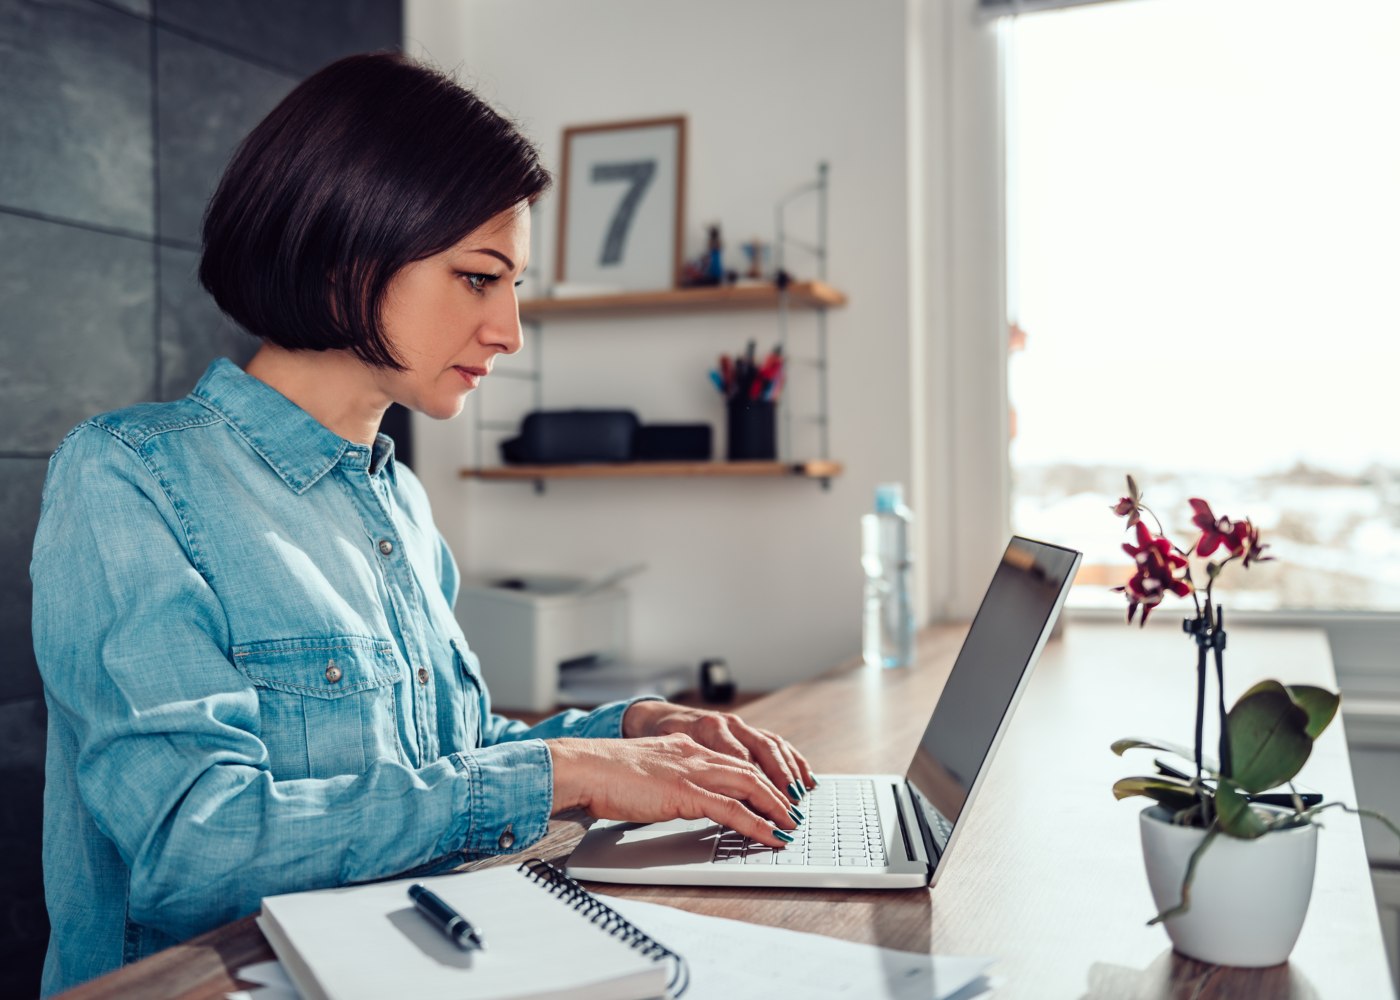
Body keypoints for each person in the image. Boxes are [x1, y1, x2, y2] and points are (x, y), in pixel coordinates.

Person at [30, 51, 813, 997]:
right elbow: (195, 846)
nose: (510, 331)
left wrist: (636, 731)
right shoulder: (127, 479)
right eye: (480, 278)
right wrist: (564, 768)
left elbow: (443, 755)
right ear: (345, 252)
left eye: (514, 285)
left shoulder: (394, 497)